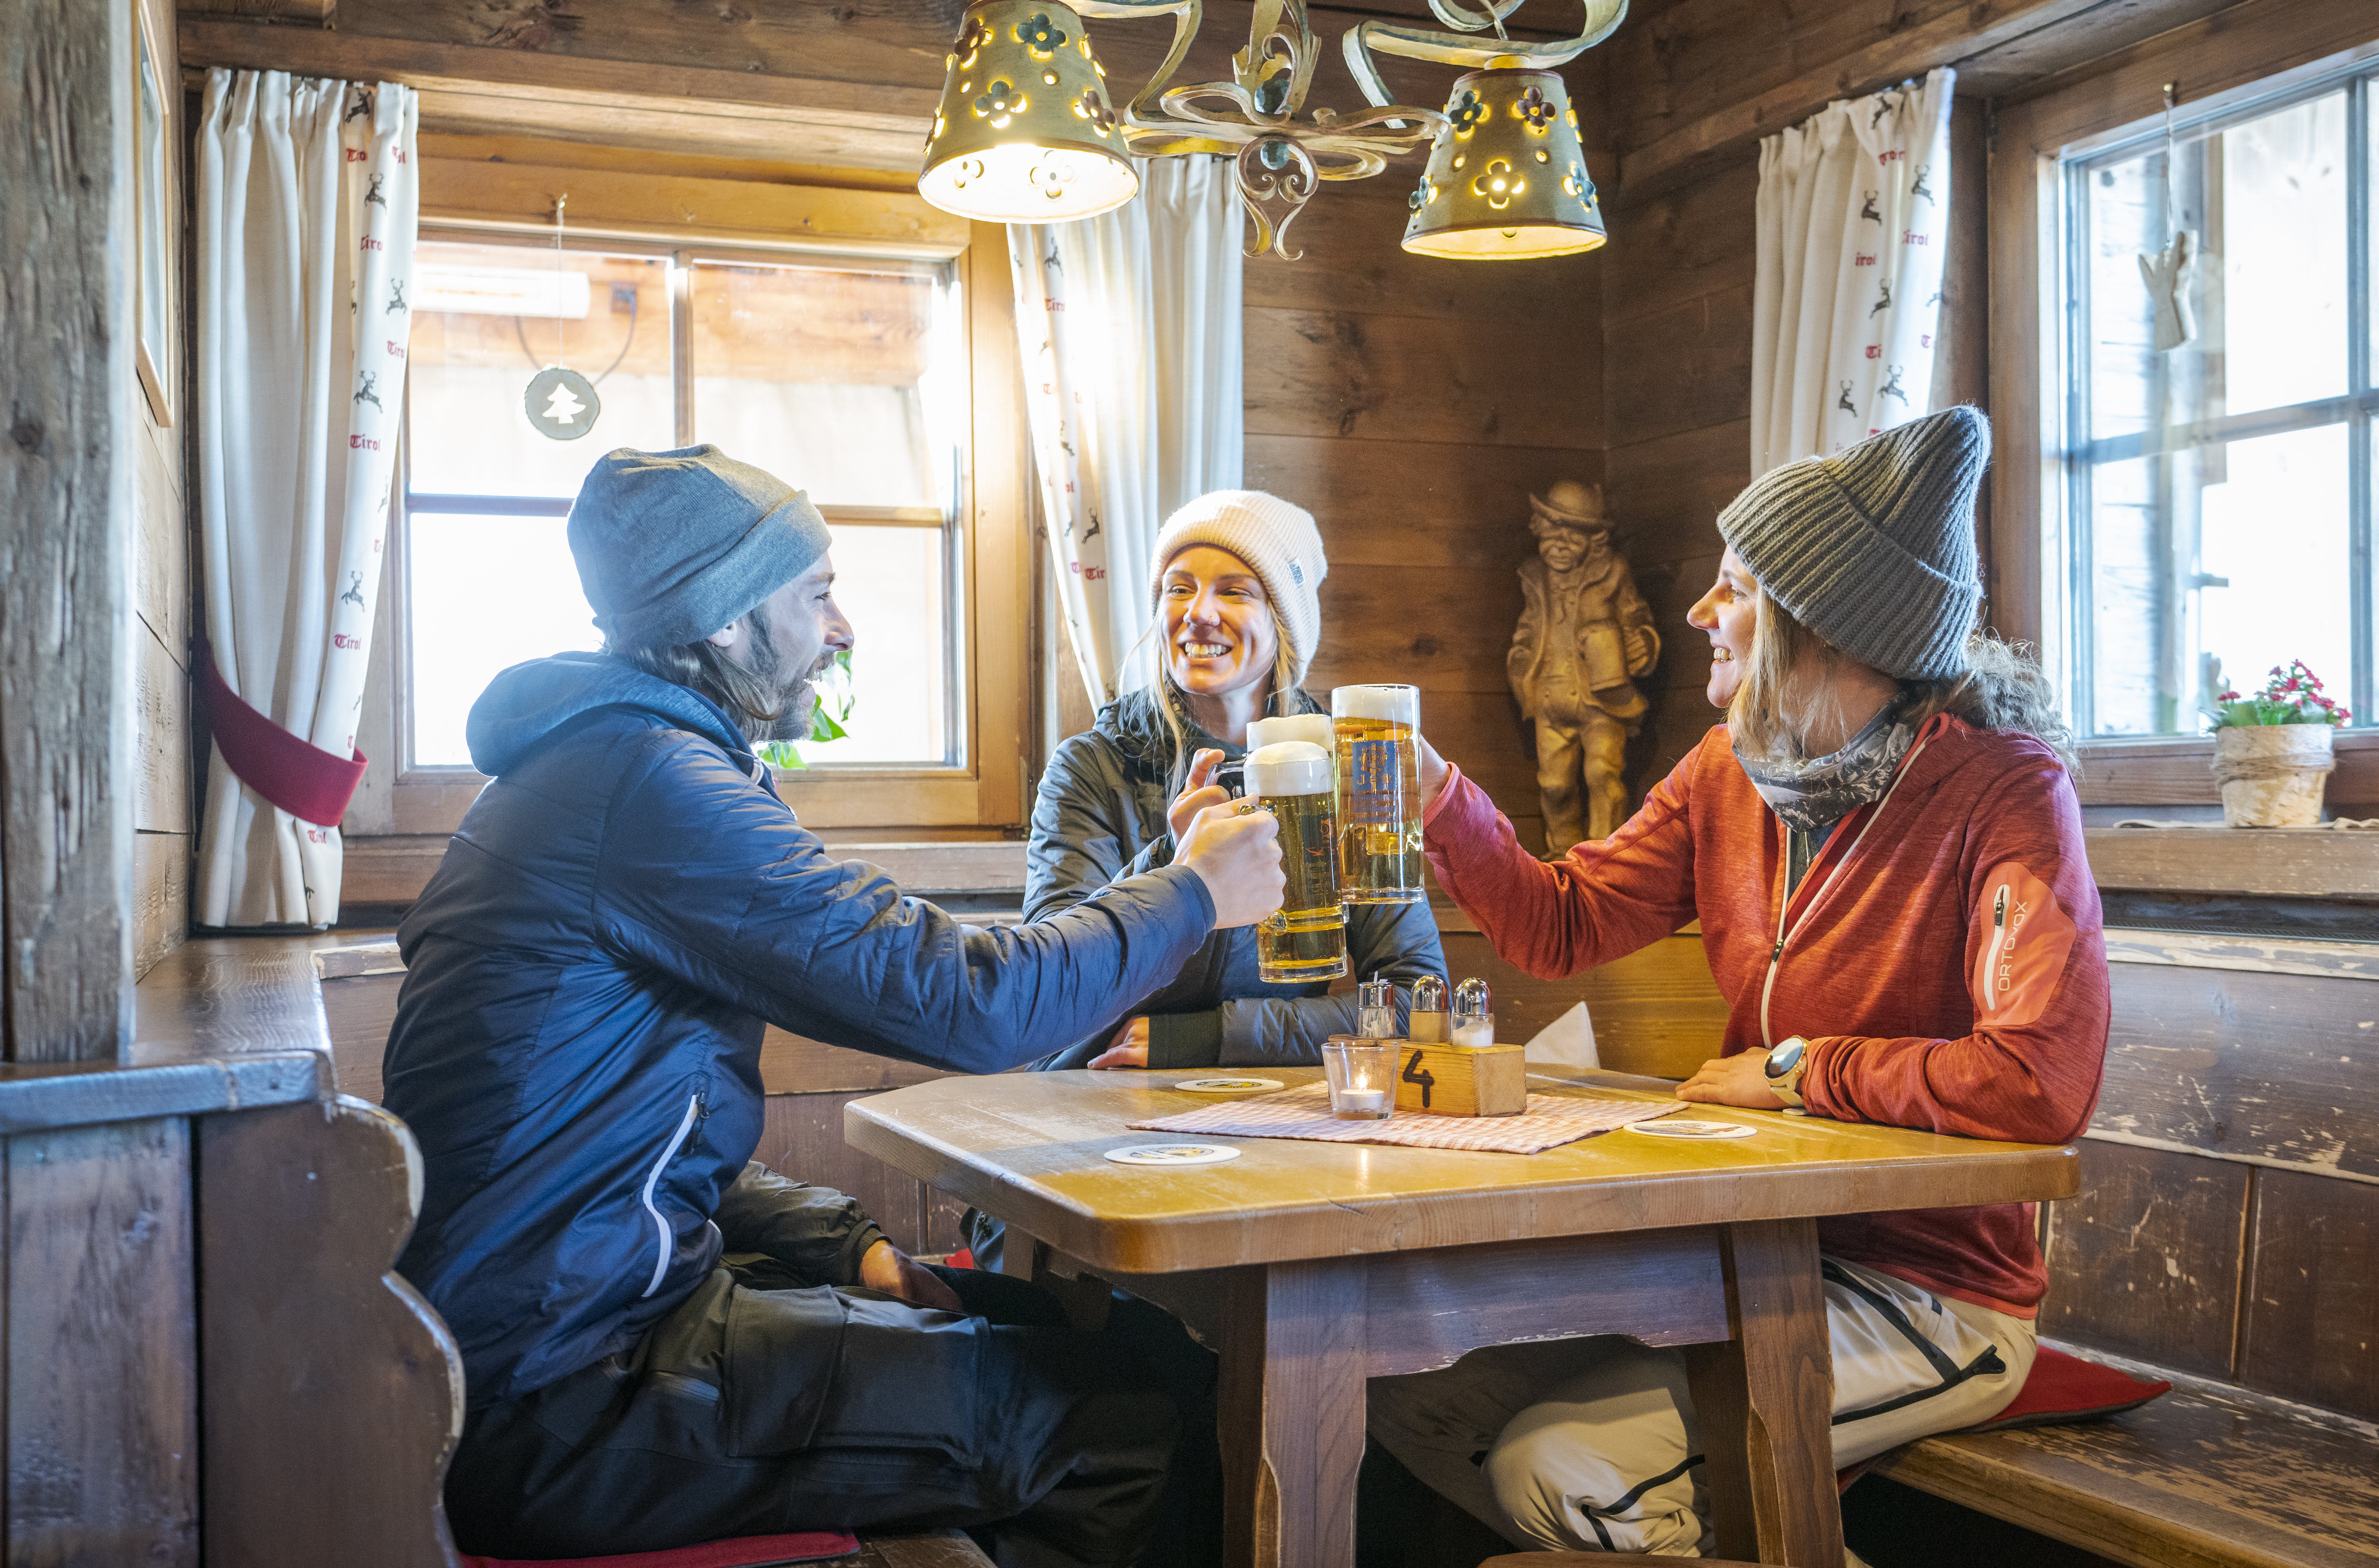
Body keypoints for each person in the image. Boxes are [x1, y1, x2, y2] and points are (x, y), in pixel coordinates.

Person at [383, 445, 1283, 1566]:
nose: (843, 625)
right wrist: (1196, 894)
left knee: (1104, 1345)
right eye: (815, 592)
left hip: (572, 1328)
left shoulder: (612, 764)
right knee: (1128, 1421)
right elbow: (969, 1005)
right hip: (562, 1396)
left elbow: (624, 1148)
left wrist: (843, 1244)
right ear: (724, 620)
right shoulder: (649, 783)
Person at [1369, 406, 2110, 1555]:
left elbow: (2037, 1078)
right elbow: (1562, 923)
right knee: (1409, 1389)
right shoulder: (1735, 765)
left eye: (1738, 587)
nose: (1699, 612)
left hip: (1926, 1288)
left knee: (1558, 1474)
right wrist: (1437, 794)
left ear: (1828, 620)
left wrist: (1800, 1068)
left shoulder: (2004, 790)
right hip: (1740, 1254)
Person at [1026, 488, 1447, 1073]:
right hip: (1091, 1100)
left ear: (1283, 622)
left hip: (1267, 1106)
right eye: (1179, 587)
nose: (1197, 610)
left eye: (1233, 589)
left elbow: (1419, 1003)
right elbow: (1048, 987)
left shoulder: (1343, 772)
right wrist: (1175, 865)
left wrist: (1215, 1037)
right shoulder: (1091, 768)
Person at [1507, 480, 1660, 855]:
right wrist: (1521, 660)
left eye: (1573, 536)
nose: (1560, 544)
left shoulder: (1613, 572)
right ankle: (1561, 854)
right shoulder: (1533, 576)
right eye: (1552, 533)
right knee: (1555, 785)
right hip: (1551, 695)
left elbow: (1635, 618)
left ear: (1593, 540)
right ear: (1539, 531)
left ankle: (1601, 857)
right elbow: (1528, 629)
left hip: (1602, 697)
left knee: (1603, 775)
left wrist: (1643, 642)